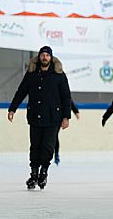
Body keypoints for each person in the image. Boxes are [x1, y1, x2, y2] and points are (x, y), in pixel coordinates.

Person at [8, 46, 71, 190]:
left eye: (47, 56)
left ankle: (44, 172)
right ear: (39, 57)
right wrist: (12, 109)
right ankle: (34, 174)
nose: (44, 58)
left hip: (53, 117)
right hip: (35, 116)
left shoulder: (59, 75)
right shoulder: (31, 74)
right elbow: (21, 91)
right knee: (35, 147)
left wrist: (66, 117)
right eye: (42, 55)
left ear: (51, 58)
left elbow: (66, 96)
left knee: (47, 148)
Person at [54, 100, 80, 165]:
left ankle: (56, 154)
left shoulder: (61, 91)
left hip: (58, 117)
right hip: (48, 115)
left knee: (54, 135)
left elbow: (68, 100)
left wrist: (75, 111)